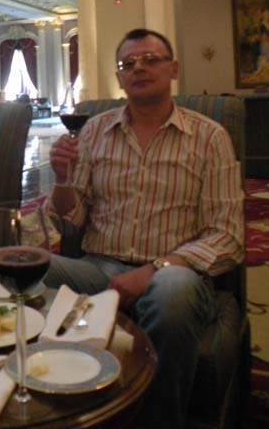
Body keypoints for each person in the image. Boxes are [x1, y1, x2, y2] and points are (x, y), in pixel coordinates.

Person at [45, 28, 244, 429]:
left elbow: (227, 236)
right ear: (119, 78)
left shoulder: (209, 137)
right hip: (98, 269)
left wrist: (154, 269)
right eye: (128, 63)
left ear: (173, 69)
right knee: (26, 265)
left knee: (172, 292)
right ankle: (54, 406)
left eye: (151, 60)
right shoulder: (95, 131)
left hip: (175, 273)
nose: (139, 68)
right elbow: (73, 216)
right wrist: (62, 179)